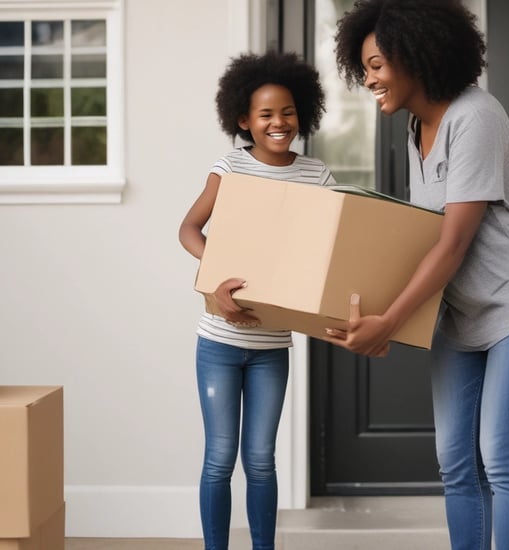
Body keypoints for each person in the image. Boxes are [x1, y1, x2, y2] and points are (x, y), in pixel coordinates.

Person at [326, 1, 509, 549]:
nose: (369, 80)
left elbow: (453, 243)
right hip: (461, 318)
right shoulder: (418, 128)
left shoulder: (474, 116)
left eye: (377, 65)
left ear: (417, 55)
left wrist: (388, 322)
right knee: (456, 463)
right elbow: (418, 238)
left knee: (503, 460)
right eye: (363, 67)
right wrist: (380, 313)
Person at [179, 51, 334, 550]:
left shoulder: (316, 176)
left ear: (302, 114)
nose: (278, 122)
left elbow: (332, 247)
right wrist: (216, 280)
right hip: (219, 343)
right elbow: (188, 229)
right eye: (266, 114)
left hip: (272, 347)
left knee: (262, 461)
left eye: (287, 112)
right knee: (220, 458)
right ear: (243, 120)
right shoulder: (231, 167)